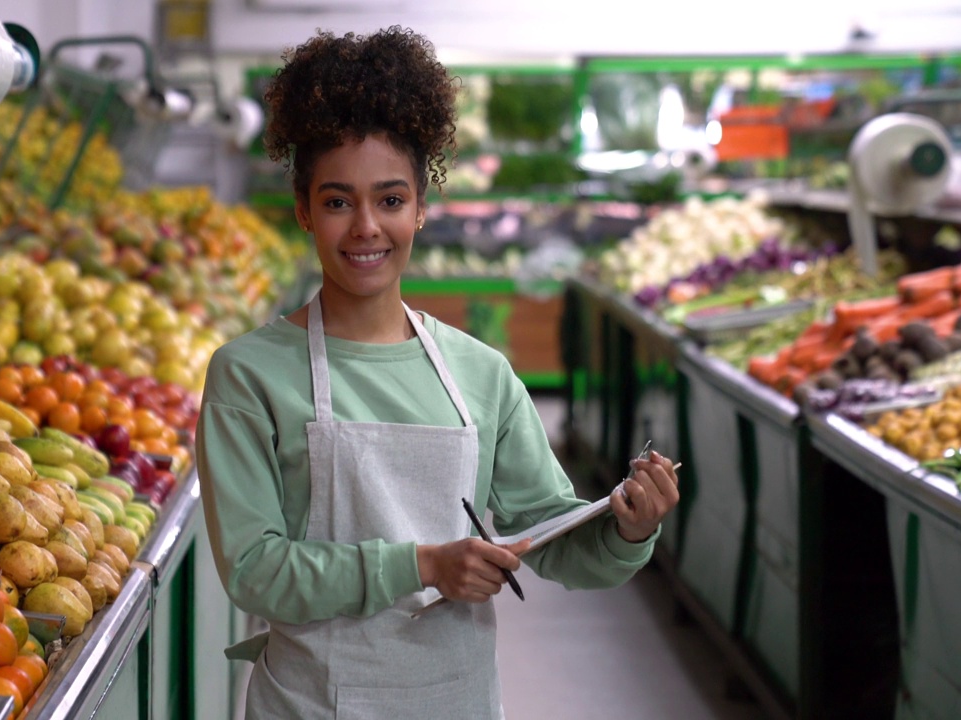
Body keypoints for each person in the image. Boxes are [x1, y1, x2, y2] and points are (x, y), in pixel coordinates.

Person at [195, 27, 680, 719]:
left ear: (422, 207)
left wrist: (628, 527)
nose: (366, 226)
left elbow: (550, 537)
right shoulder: (248, 376)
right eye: (338, 202)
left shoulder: (480, 374)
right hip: (308, 706)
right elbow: (255, 572)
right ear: (303, 209)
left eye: (390, 200)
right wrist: (422, 565)